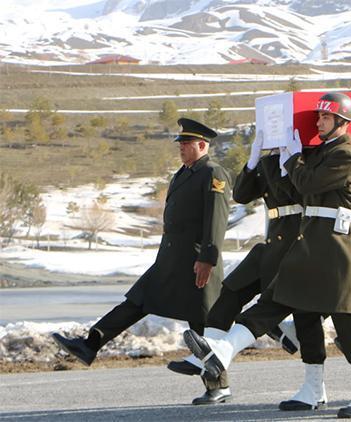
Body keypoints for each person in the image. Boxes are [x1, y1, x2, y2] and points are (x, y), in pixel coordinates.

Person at [181, 92, 351, 418]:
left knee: (348, 321)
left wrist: (291, 158)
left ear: (342, 122)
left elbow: (308, 183)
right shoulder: (320, 152)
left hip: (335, 247)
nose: (319, 122)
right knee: (286, 306)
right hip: (309, 243)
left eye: (326, 118)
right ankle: (299, 382)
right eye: (318, 118)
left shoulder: (345, 154)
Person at [52, 118, 231, 370]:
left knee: (201, 323)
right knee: (137, 301)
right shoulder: (183, 174)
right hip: (171, 259)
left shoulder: (213, 173)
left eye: (186, 143)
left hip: (196, 260)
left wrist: (208, 259)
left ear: (202, 145)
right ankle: (90, 344)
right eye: (180, 142)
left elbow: (217, 219)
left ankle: (217, 384)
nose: (180, 147)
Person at [167, 131, 310, 405]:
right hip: (271, 243)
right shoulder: (270, 161)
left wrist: (293, 159)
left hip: (297, 241)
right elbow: (243, 194)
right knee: (227, 295)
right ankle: (210, 364)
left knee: (270, 305)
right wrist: (254, 161)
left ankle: (225, 352)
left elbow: (300, 191)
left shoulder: (305, 159)